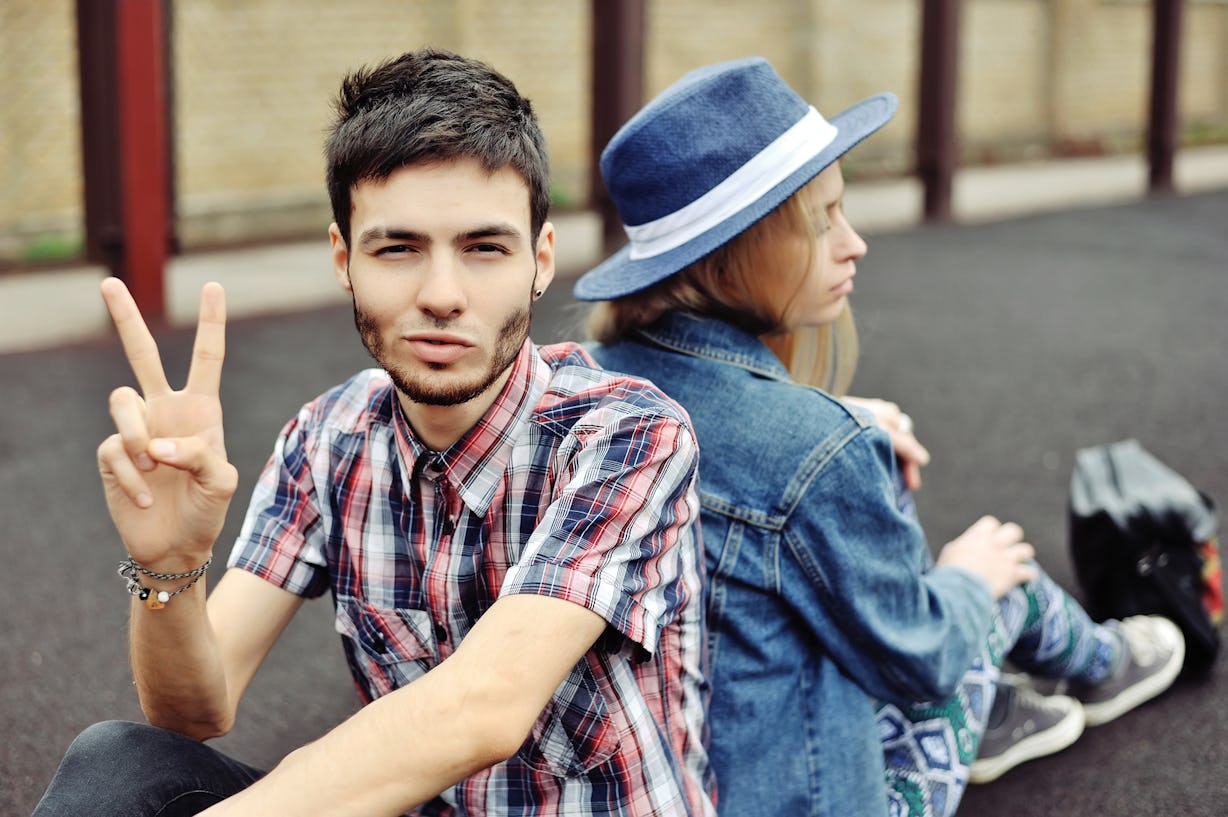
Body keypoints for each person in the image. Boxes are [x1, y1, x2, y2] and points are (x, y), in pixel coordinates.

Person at [34, 48, 715, 817]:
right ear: (343, 259)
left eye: (484, 247)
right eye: (399, 248)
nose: (443, 295)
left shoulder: (626, 435)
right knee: (118, 761)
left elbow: (481, 707)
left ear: (540, 260)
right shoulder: (329, 437)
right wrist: (170, 567)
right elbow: (196, 709)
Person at [575, 57, 1185, 817]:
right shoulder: (813, 452)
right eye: (821, 218)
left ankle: (1005, 704)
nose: (853, 242)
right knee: (997, 572)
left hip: (659, 784)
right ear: (737, 250)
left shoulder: (585, 387)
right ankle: (1104, 662)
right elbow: (921, 653)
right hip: (817, 798)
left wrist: (850, 420)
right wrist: (969, 573)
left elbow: (727, 432)